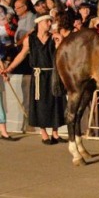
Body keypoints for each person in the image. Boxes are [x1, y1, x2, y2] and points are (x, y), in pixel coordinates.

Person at [0, 15, 66, 144]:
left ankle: (55, 133)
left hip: (52, 73)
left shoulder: (54, 37)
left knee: (56, 102)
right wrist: (9, 68)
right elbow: (22, 54)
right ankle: (43, 133)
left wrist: (59, 43)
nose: (49, 23)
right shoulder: (30, 39)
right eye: (47, 21)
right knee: (40, 103)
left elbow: (61, 56)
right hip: (38, 75)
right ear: (40, 23)